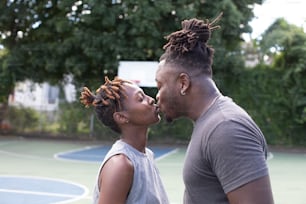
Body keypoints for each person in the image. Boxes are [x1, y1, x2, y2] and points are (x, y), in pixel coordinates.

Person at [155, 13, 274, 204]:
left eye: (160, 85)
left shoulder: (226, 128)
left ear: (183, 83)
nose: (157, 95)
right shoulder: (211, 123)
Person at [80, 76, 169, 204]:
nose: (150, 100)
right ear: (121, 117)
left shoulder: (147, 155)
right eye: (140, 98)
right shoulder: (120, 165)